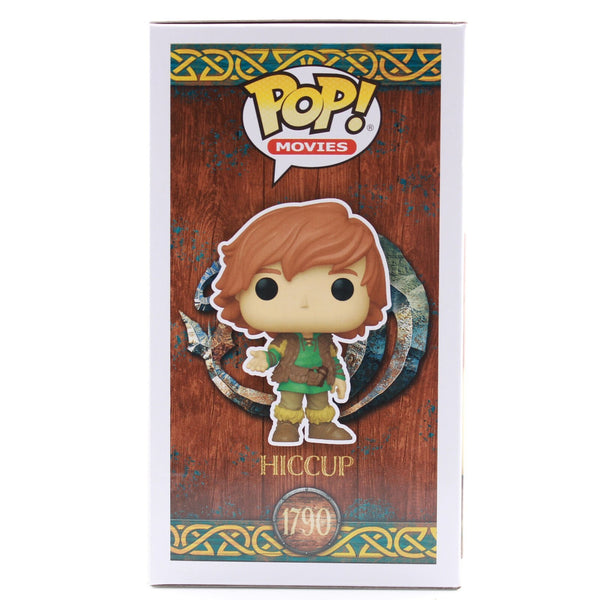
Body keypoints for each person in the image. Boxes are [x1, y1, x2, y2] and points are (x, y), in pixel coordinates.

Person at [211, 199, 390, 446]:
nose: (305, 303)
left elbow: (334, 359)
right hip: (292, 380)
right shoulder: (286, 340)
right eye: (267, 287)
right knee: (290, 404)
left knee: (320, 404)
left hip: (321, 379)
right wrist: (265, 359)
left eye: (342, 288)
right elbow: (276, 353)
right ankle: (286, 426)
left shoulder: (326, 341)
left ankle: (321, 427)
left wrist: (339, 378)